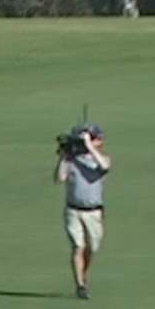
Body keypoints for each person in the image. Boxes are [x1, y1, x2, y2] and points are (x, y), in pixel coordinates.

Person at [53, 124, 112, 299]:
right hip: (73, 211)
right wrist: (64, 156)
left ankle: (83, 275)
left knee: (92, 247)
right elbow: (59, 178)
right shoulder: (71, 160)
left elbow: (105, 166)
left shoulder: (101, 159)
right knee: (78, 246)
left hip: (94, 212)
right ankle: (80, 285)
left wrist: (89, 147)